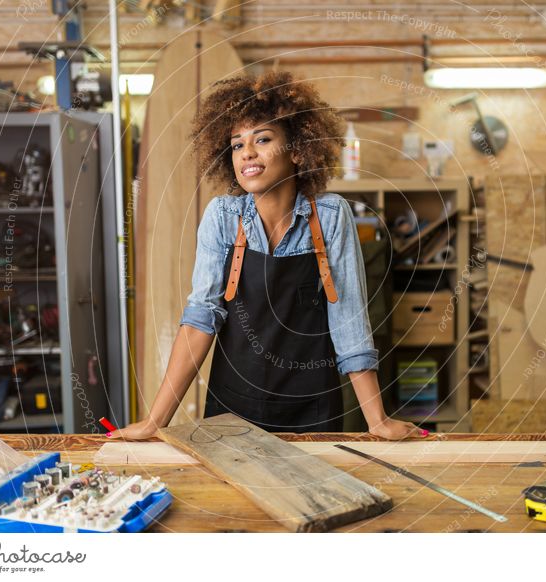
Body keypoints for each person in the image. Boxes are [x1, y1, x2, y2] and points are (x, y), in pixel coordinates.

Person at [111, 71, 427, 441]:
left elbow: (349, 324)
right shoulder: (222, 217)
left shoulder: (330, 216)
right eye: (236, 144)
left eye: (262, 139)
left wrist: (378, 421)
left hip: (314, 408)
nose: (246, 152)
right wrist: (155, 421)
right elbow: (200, 320)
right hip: (233, 410)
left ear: (297, 150)